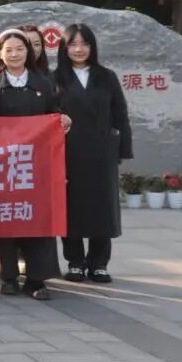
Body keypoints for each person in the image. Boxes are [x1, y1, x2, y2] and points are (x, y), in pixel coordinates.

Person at [0, 29, 69, 299]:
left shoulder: (43, 83)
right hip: (2, 163)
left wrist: (62, 119)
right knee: (6, 217)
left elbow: (53, 112)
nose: (14, 54)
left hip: (36, 163)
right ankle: (8, 276)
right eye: (8, 50)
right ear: (0, 54)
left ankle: (37, 279)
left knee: (38, 217)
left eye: (20, 49)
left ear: (29, 52)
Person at [54, 24, 131, 284]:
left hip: (101, 152)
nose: (79, 49)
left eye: (84, 44)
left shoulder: (106, 76)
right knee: (71, 208)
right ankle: (75, 262)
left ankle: (99, 263)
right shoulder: (55, 78)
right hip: (69, 152)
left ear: (92, 47)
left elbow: (120, 113)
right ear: (64, 49)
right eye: (73, 44)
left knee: (102, 207)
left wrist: (122, 148)